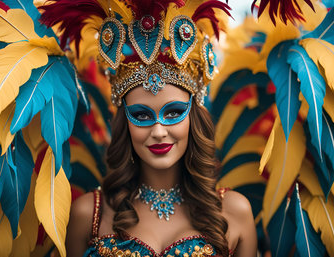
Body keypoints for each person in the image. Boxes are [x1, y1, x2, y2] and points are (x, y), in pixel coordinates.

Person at [39, 1, 257, 255]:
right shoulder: (88, 215)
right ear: (125, 123)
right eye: (142, 115)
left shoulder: (234, 211)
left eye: (174, 113)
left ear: (193, 118)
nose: (159, 131)